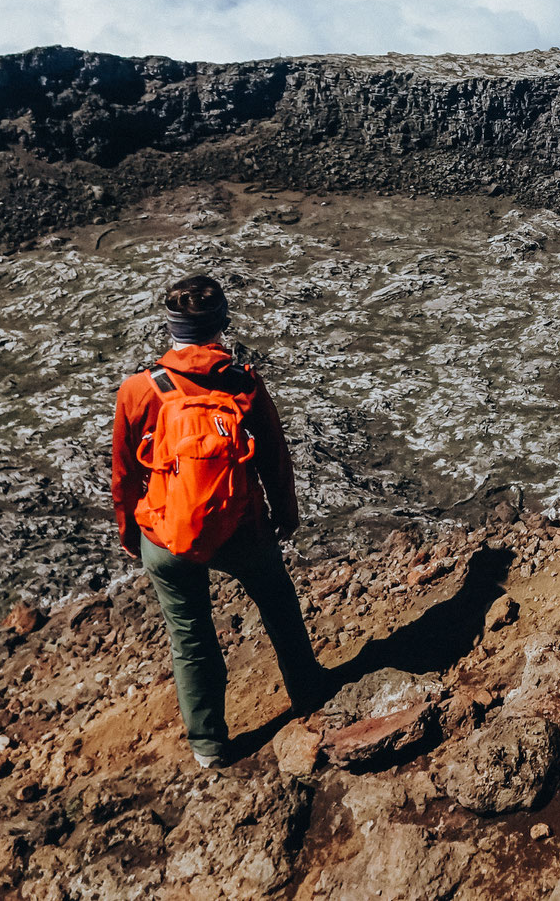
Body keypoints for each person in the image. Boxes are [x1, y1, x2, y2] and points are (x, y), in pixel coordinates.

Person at [111, 273, 326, 767]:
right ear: (222, 324)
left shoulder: (138, 391)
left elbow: (124, 472)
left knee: (190, 634)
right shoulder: (244, 382)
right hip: (242, 527)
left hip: (165, 535)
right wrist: (284, 515)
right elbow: (274, 456)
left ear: (169, 329)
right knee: (279, 607)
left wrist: (130, 531)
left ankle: (208, 745)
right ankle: (312, 696)